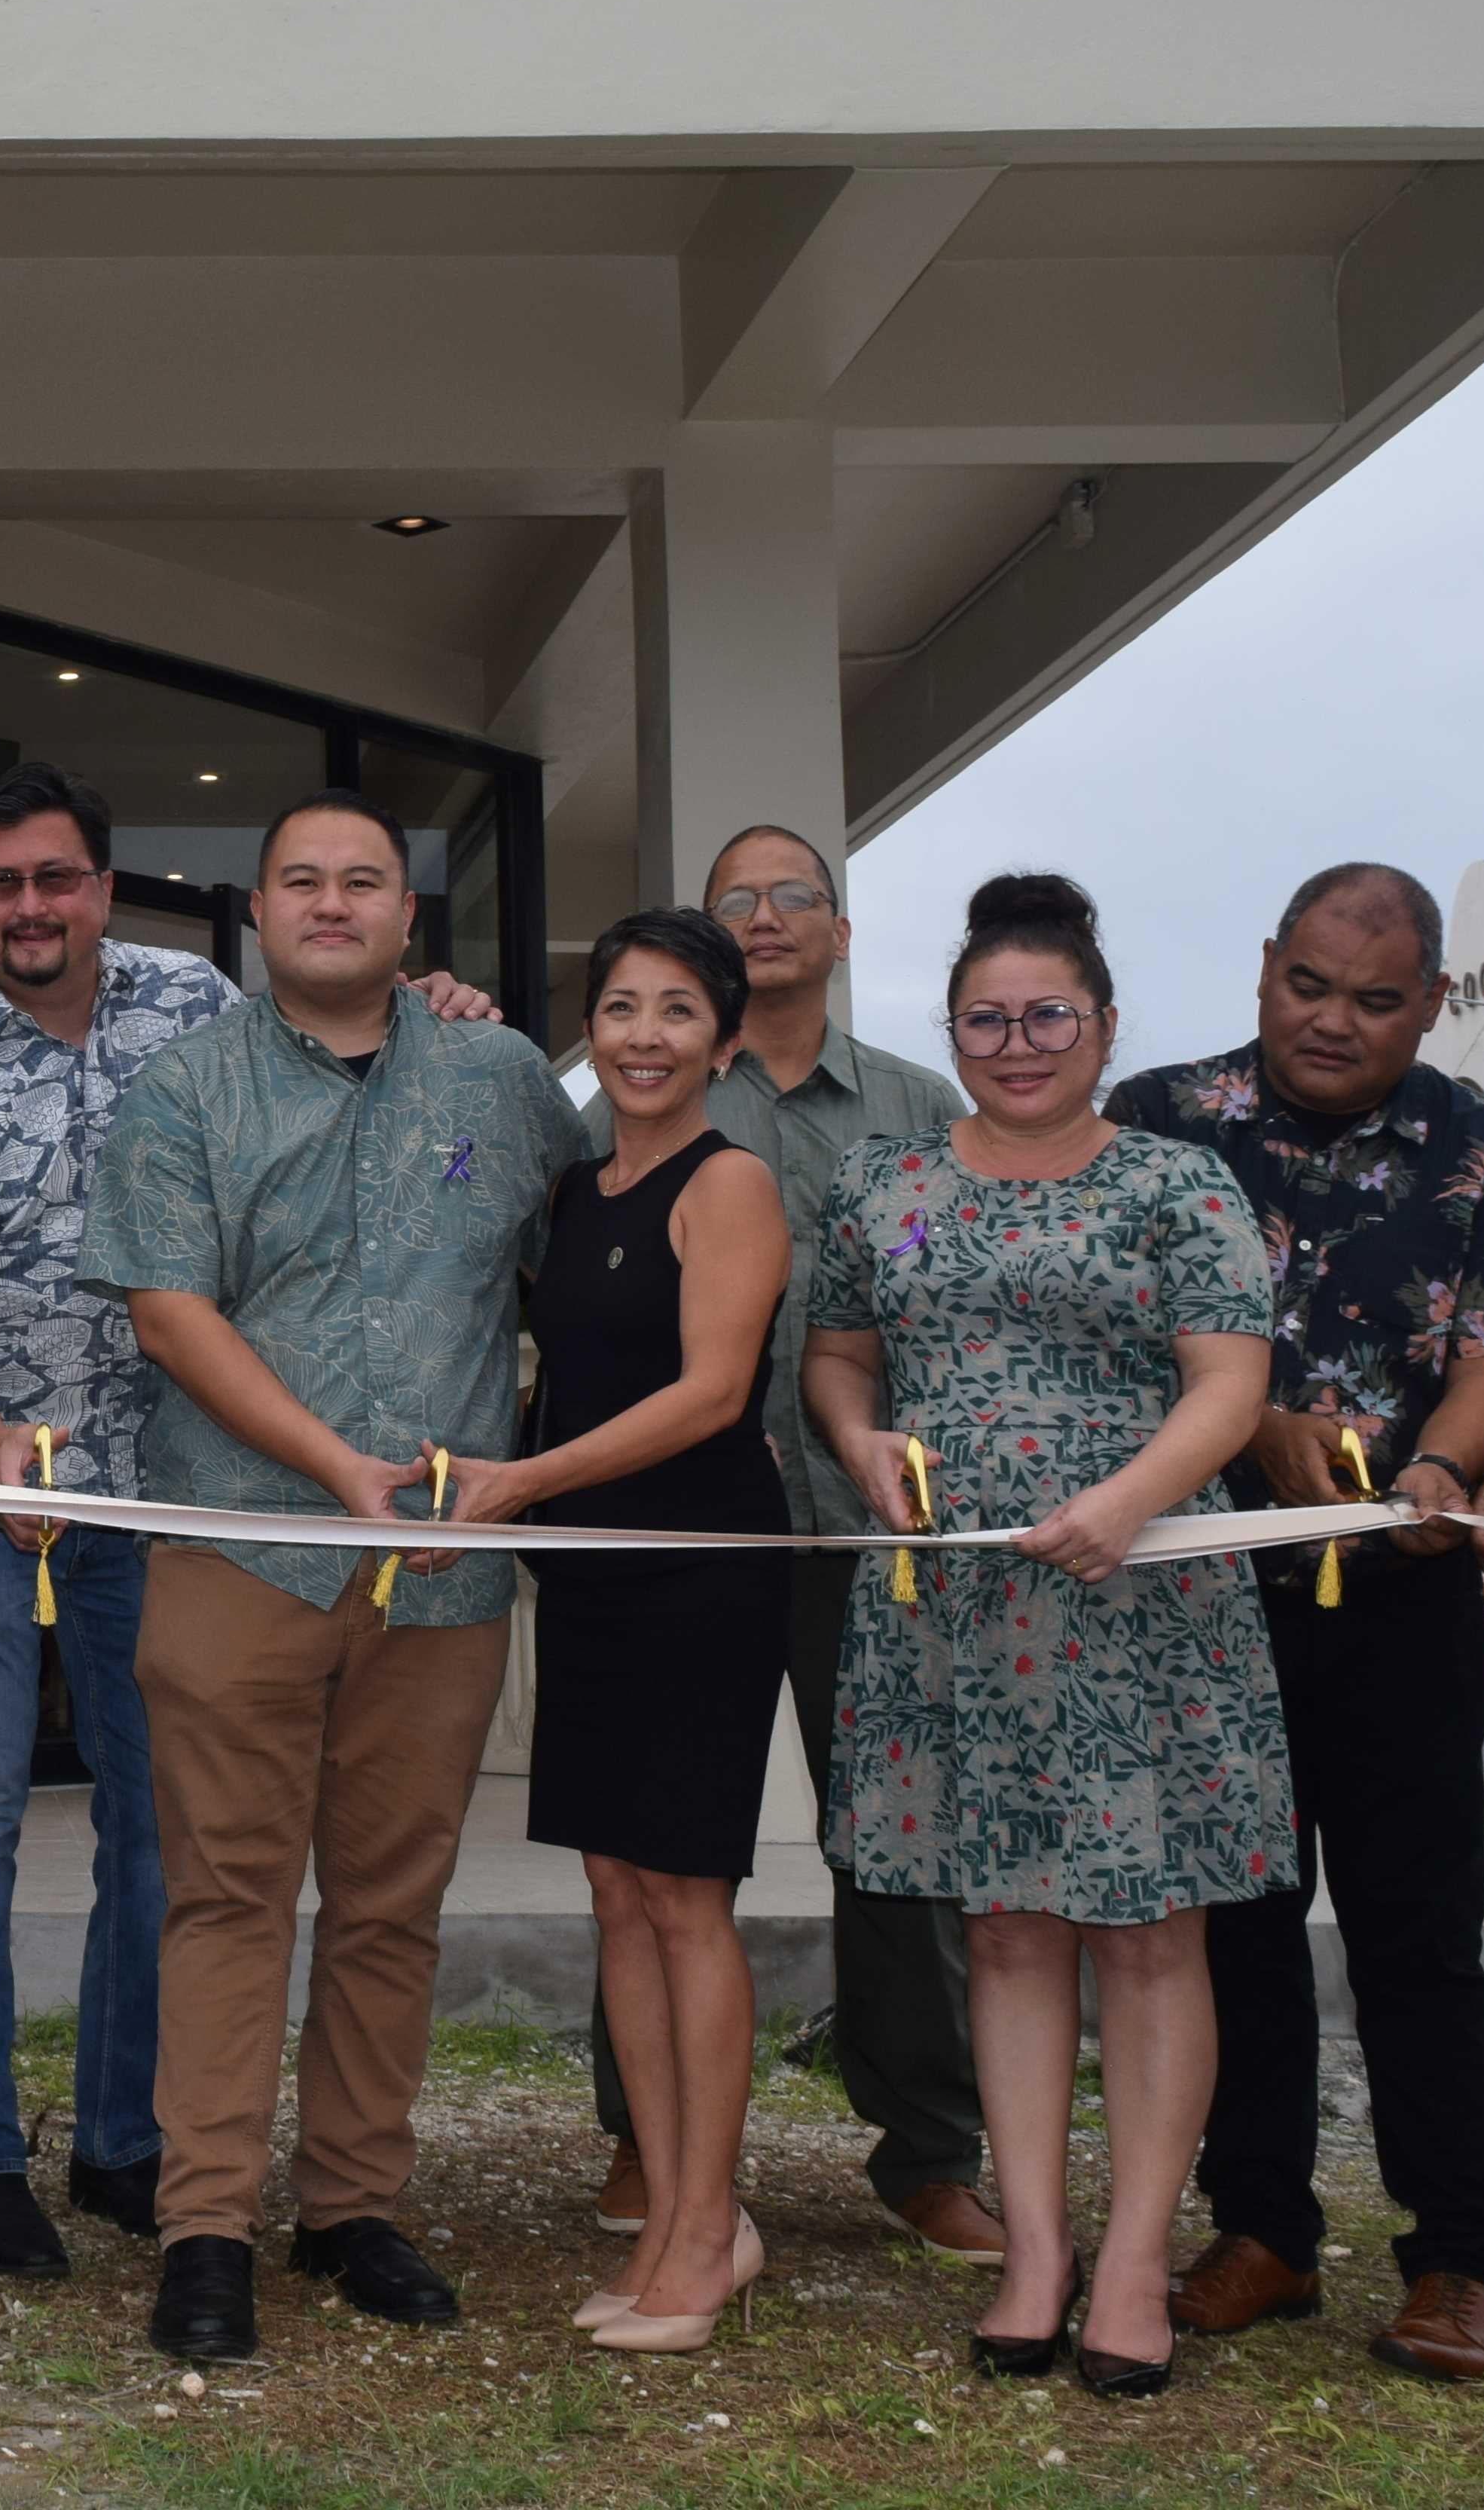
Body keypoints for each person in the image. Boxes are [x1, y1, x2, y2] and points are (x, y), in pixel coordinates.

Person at [0, 759, 502, 2279]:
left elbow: (352, 1067)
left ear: (105, 885)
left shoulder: (204, 1009)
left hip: (186, 1492)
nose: (31, 906)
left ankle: (128, 2140)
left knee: (160, 1842)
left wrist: (452, 1006)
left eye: (58, 876)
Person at [81, 790, 576, 2365]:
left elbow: (602, 1245)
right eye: (303, 878)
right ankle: (208, 2221)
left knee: (390, 1901)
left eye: (367, 878)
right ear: (256, 911)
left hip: (440, 1577)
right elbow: (171, 1313)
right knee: (224, 1894)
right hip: (243, 1544)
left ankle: (355, 2199)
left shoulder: (501, 1079)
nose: (334, 900)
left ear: (410, 920)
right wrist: (329, 1462)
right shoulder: (185, 1087)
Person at [805, 870, 1277, 2398]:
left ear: (1104, 1022)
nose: (1016, 1041)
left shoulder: (1178, 1181)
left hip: (1139, 1594)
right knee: (1003, 1925)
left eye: (1046, 1014)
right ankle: (1035, 2248)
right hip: (958, 1601)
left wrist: (1128, 1496)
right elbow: (836, 1354)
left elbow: (1231, 1381)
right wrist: (862, 1438)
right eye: (984, 1017)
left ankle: (1137, 2254)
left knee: (1150, 1931)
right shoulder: (884, 1179)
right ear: (948, 1028)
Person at [1105, 864, 1484, 2381]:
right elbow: (1105, 1327)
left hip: (1404, 1592)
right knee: (1233, 1922)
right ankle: (1265, 2230)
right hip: (1199, 1591)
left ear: (1429, 1003)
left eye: (1375, 999)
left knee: (1420, 1932)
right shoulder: (1158, 1119)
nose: (1333, 1020)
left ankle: (1459, 2255)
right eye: (1308, 983)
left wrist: (1438, 1466)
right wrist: (1252, 1424)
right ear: (1263, 970)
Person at [570, 826, 996, 2263]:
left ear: (839, 929)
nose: (761, 917)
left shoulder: (919, 1108)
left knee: (888, 1841)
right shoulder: (642, 1099)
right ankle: (649, 2138)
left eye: (788, 897)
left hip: (869, 1529)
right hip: (686, 1532)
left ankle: (928, 2147)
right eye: (732, 901)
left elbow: (965, 1291)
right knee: (647, 1848)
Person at [441, 908, 789, 2353]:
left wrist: (525, 1482)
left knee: (687, 1900)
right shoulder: (580, 1190)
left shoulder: (736, 1183)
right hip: (588, 1573)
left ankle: (709, 2230)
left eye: (678, 1013)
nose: (644, 1037)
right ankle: (669, 2212)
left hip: (699, 1572)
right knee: (616, 1894)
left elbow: (713, 1394)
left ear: (725, 1036)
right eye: (621, 1008)